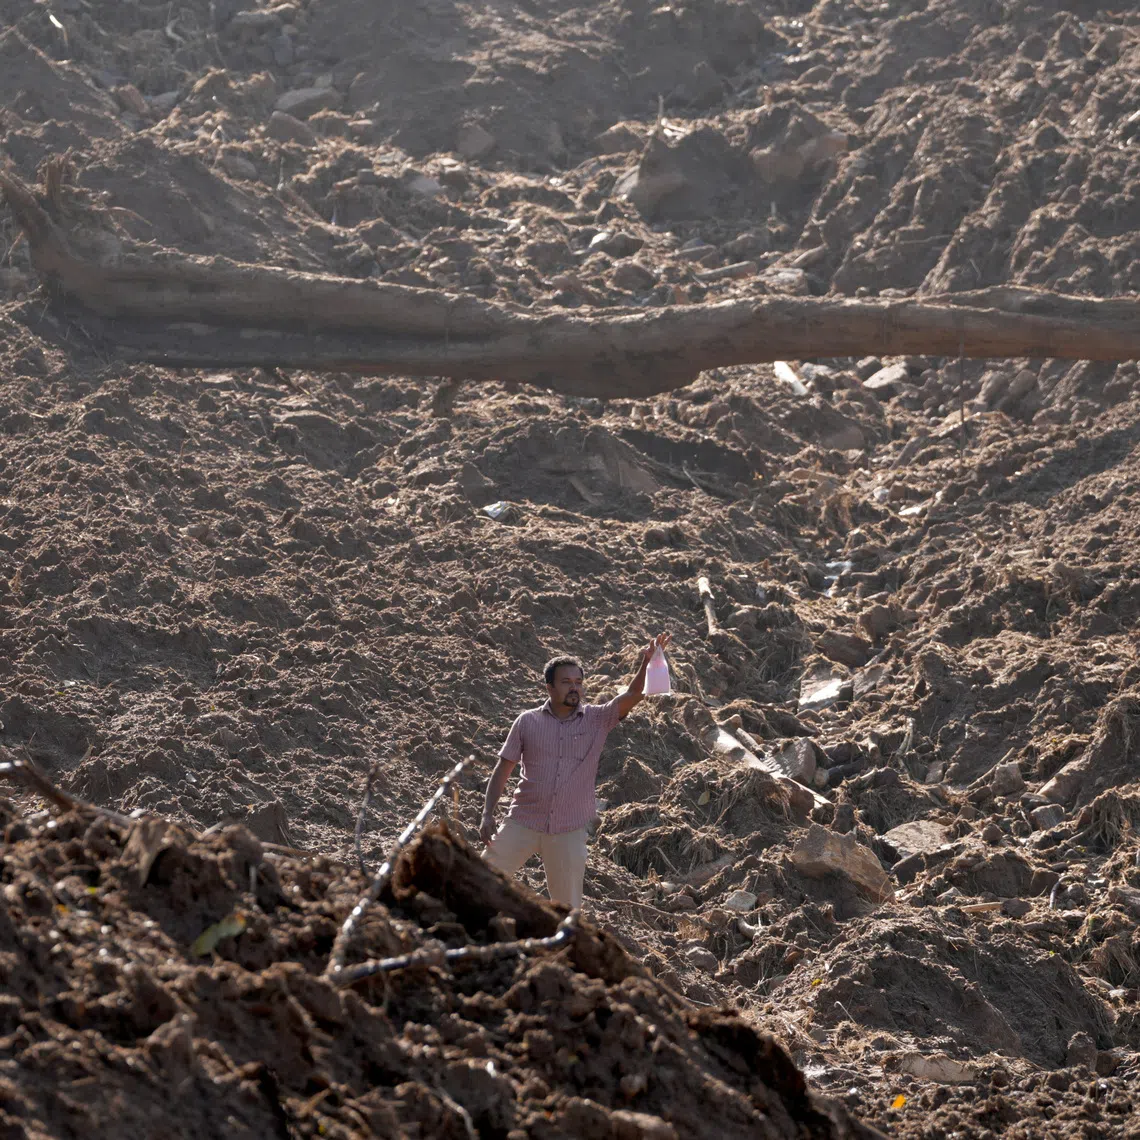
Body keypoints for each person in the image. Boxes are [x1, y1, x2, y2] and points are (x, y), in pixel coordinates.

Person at [480, 634, 670, 908]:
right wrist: (487, 813)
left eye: (578, 682)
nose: (574, 688)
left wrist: (647, 662)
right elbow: (503, 769)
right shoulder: (527, 722)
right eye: (566, 682)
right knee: (479, 878)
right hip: (523, 820)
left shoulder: (597, 719)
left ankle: (562, 949)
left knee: (567, 909)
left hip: (569, 830)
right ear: (549, 687)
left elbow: (634, 694)